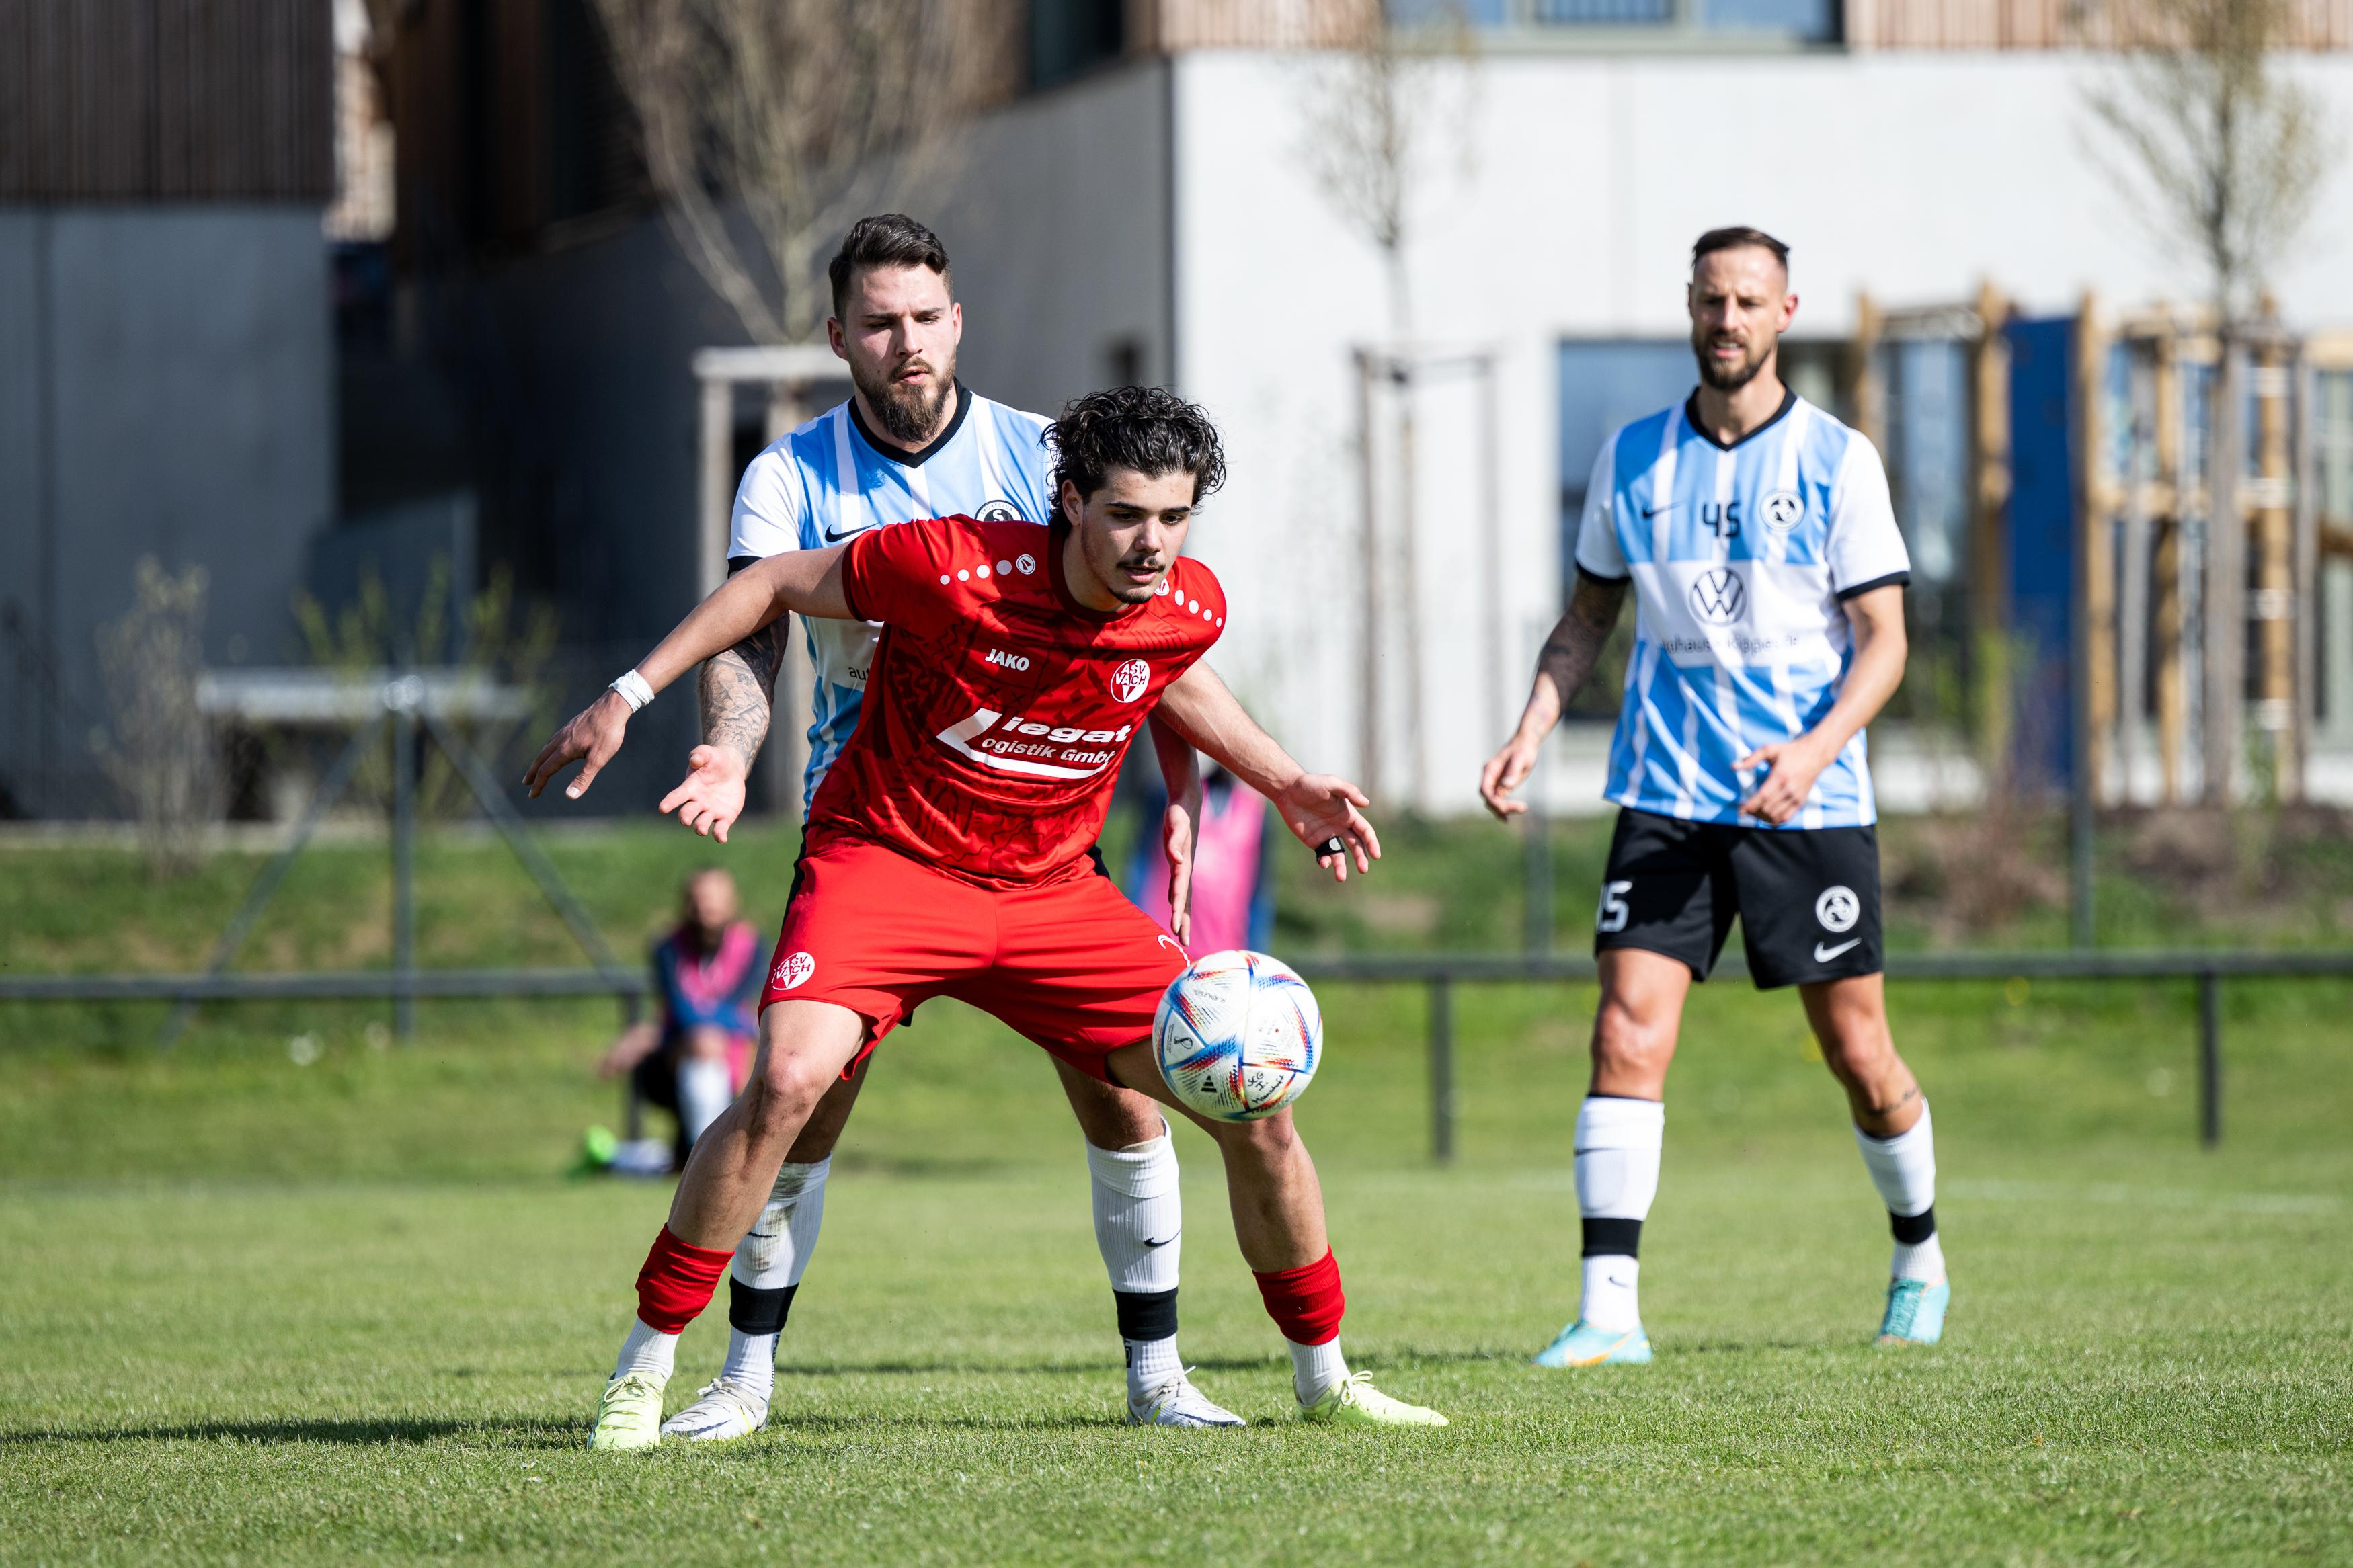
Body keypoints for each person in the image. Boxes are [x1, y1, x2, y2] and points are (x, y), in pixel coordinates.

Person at [528, 386, 1448, 1447]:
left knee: (1252, 1098)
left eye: (1174, 517)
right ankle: (644, 1375)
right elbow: (775, 583)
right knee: (785, 1084)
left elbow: (1173, 669)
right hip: (888, 864)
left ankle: (1325, 1377)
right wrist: (630, 695)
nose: (1152, 545)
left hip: (1054, 892)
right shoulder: (951, 566)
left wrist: (1284, 782)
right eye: (1126, 516)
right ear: (1068, 500)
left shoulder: (1187, 599)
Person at [629, 216, 1224, 1438]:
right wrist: (729, 755)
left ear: (958, 320)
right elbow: (757, 621)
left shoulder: (1041, 455)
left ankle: (1158, 1378)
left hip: (1041, 832)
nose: (908, 342)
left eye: (927, 316)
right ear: (840, 334)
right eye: (881, 321)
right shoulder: (792, 474)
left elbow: (1144, 631)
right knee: (806, 1090)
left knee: (1126, 1099)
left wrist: (1182, 796)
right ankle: (743, 1376)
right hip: (875, 832)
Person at [1479, 226, 1948, 1368]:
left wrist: (1814, 748)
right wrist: (1533, 726)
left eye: (1748, 300)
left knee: (1861, 1053)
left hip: (1809, 804)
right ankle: (1609, 1312)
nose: (1726, 319)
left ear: (1787, 311)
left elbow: (1884, 644)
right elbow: (1589, 619)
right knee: (1625, 1031)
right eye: (1709, 300)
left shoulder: (1839, 461)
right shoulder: (1634, 458)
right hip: (1667, 796)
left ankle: (1919, 1256)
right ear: (1689, 309)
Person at [596, 868, 763, 1171]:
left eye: (713, 900)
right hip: (675, 1056)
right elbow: (682, 1010)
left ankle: (705, 1157)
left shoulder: (751, 946)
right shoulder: (667, 948)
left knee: (717, 1045)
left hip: (734, 1054)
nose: (704, 909)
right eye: (697, 900)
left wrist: (653, 1032)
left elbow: (737, 1008)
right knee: (703, 1045)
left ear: (731, 903)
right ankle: (708, 1161)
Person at [1127, 764, 1273, 956]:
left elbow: (1258, 890)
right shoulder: (1172, 796)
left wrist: (1255, 953)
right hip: (1166, 941)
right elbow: (1141, 864)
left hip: (1222, 952)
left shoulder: (1255, 812)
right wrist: (1136, 927)